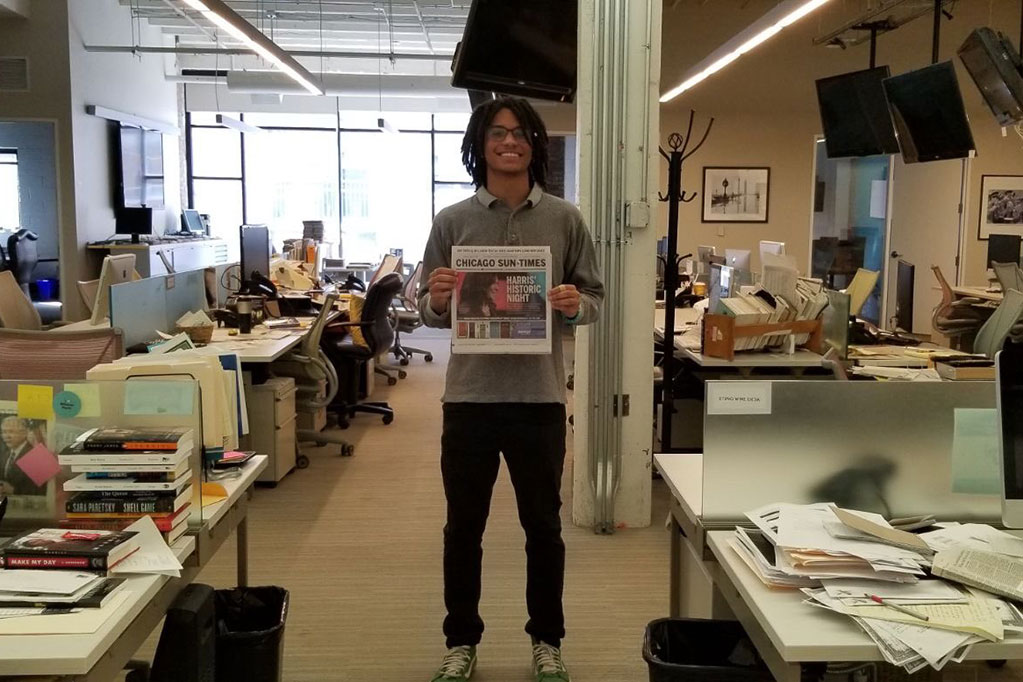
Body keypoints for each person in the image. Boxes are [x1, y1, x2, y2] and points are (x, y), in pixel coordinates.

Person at [419, 97, 604, 682]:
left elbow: (595, 301)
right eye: (498, 132)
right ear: (481, 143)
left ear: (534, 145)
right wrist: (440, 299)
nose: (509, 141)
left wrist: (577, 307)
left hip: (539, 400)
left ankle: (547, 640)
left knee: (543, 530)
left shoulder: (565, 219)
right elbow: (425, 308)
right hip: (469, 401)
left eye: (521, 133)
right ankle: (460, 642)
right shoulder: (452, 220)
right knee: (462, 531)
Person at [0, 416, 44, 496]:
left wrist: (14, 490)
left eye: (11, 432)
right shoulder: (4, 455)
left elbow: (43, 491)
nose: (6, 436)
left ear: (24, 433)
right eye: (4, 432)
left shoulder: (35, 455)